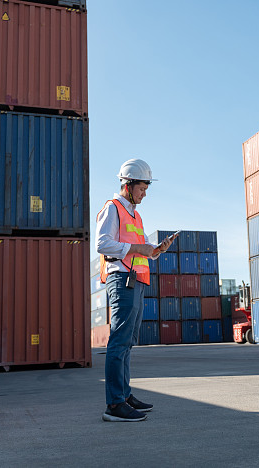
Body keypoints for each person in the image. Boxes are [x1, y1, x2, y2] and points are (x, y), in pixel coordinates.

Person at [97, 158, 176, 422]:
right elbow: (102, 244)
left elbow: (140, 251)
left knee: (128, 343)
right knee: (119, 342)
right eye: (143, 187)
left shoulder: (136, 214)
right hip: (121, 279)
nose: (145, 193)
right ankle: (115, 404)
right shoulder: (113, 208)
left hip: (137, 280)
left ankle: (125, 394)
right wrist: (137, 249)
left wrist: (156, 250)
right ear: (128, 184)